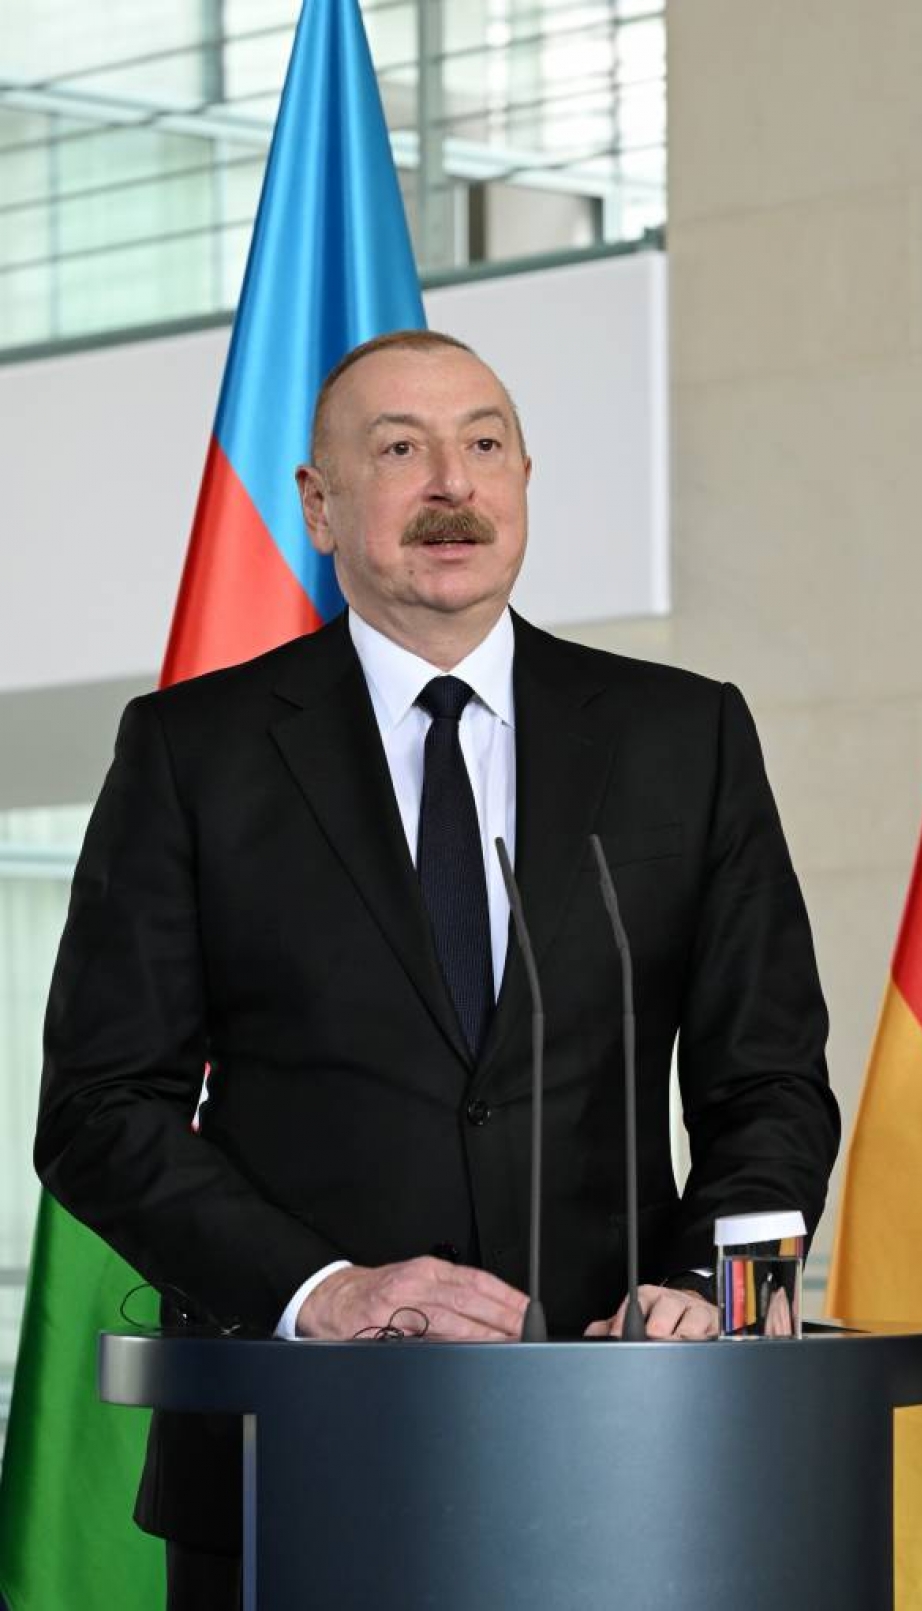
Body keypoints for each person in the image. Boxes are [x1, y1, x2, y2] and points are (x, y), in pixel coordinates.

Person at [35, 329, 840, 1608]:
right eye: (400, 449)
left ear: (524, 478)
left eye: (483, 444)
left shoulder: (684, 737)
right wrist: (322, 1291)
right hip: (290, 1447)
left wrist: (711, 1288)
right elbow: (98, 1109)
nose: (451, 484)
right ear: (319, 504)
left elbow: (771, 1085)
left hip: (625, 1442)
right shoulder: (194, 752)